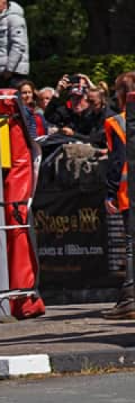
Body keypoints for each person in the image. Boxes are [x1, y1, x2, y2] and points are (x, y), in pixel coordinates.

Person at [103, 72, 135, 319]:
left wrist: (110, 192)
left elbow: (117, 161)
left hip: (128, 195)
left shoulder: (117, 122)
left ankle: (129, 298)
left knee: (131, 246)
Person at [0, 0, 30, 88]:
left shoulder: (14, 18)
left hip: (13, 75)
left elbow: (18, 45)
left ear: (4, 3)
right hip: (3, 74)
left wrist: (9, 70)